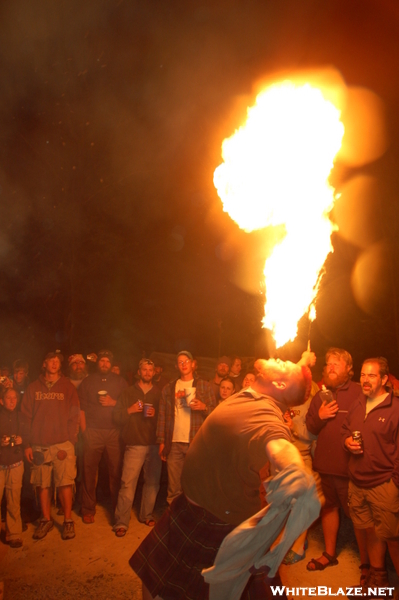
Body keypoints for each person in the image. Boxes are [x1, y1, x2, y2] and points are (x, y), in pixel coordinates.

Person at [130, 358, 319, 600]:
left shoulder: (267, 415)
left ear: (279, 384)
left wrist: (294, 468)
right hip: (188, 506)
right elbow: (294, 379)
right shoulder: (253, 395)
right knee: (153, 574)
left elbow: (279, 444)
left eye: (283, 364)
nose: (279, 359)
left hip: (220, 523)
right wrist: (301, 365)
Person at [342, 357, 399, 590]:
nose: (365, 380)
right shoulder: (358, 403)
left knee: (393, 538)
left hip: (384, 483)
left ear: (385, 379)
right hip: (357, 482)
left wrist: (394, 484)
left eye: (372, 375)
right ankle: (379, 583)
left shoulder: (395, 409)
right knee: (370, 532)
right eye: (363, 375)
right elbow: (346, 429)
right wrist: (346, 442)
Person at [306, 347, 361, 572]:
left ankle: (368, 563)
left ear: (349, 368)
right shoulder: (320, 395)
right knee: (329, 508)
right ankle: (329, 553)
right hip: (326, 467)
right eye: (328, 363)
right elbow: (310, 426)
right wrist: (320, 417)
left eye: (336, 363)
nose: (330, 367)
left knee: (358, 514)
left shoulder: (359, 391)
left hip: (351, 467)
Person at [20, 351, 80, 540]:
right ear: (44, 364)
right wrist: (27, 444)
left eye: (57, 362)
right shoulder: (33, 388)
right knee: (42, 484)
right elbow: (25, 417)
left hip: (63, 444)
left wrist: (71, 439)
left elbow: (75, 414)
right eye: (50, 361)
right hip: (39, 444)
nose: (54, 364)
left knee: (65, 482)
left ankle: (68, 520)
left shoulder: (67, 387)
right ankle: (46, 519)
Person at [156, 351, 216, 505]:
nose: (183, 364)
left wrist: (203, 407)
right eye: (180, 362)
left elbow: (215, 413)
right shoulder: (169, 388)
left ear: (193, 364)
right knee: (173, 487)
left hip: (195, 442)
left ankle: (190, 522)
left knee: (193, 485)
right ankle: (174, 522)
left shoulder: (204, 385)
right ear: (177, 366)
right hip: (174, 442)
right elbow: (162, 415)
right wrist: (162, 442)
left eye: (186, 361)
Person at [113, 359, 162, 536]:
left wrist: (156, 414)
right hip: (134, 444)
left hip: (154, 445)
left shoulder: (159, 393)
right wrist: (130, 410)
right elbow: (116, 417)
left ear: (153, 373)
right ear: (138, 372)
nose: (148, 373)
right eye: (144, 370)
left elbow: (166, 420)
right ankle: (121, 521)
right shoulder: (128, 392)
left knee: (152, 483)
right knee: (128, 483)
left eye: (151, 370)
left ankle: (146, 514)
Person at [78, 349, 128, 523]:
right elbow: (81, 409)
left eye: (107, 361)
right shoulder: (88, 382)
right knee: (89, 471)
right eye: (102, 361)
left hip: (114, 432)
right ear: (97, 362)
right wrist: (85, 431)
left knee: (116, 471)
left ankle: (117, 509)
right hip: (93, 431)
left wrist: (112, 402)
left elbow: (127, 405)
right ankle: (88, 508)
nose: (104, 363)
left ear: (111, 364)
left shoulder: (120, 382)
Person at [0, 388, 24, 547]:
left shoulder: (21, 416)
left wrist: (22, 439)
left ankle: (14, 533)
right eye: (8, 398)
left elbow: (28, 434)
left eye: (14, 398)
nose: (12, 400)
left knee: (14, 500)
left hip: (15, 463)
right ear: (1, 400)